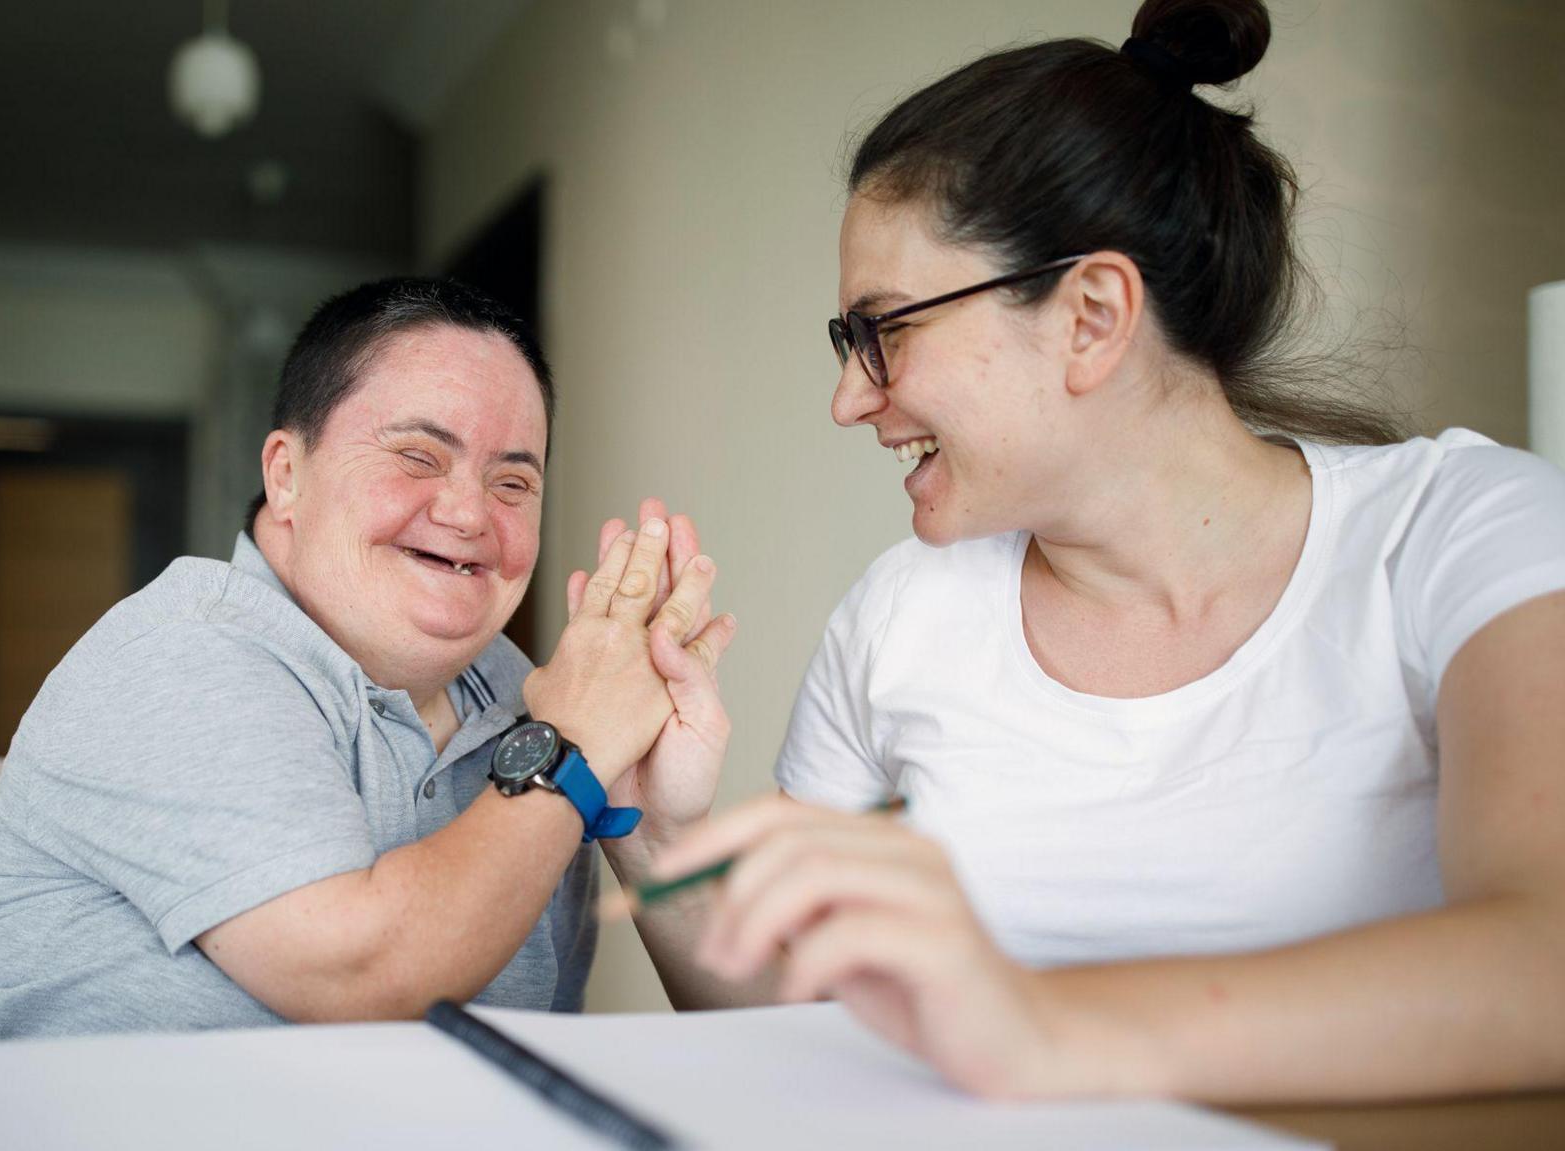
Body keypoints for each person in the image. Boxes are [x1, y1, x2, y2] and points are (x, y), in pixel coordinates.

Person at [608, 0, 1565, 1103]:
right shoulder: (894, 619)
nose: (845, 398)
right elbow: (798, 1035)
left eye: (885, 330)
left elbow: (1544, 964)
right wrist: (650, 832)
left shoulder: (1464, 532)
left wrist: (1042, 1025)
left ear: (1091, 314)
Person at [0, 277, 735, 1040]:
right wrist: (571, 749)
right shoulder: (182, 652)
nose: (467, 513)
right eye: (418, 456)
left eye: (514, 483)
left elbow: (540, 1055)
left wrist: (648, 829)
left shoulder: (530, 700)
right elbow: (366, 976)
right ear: (286, 475)